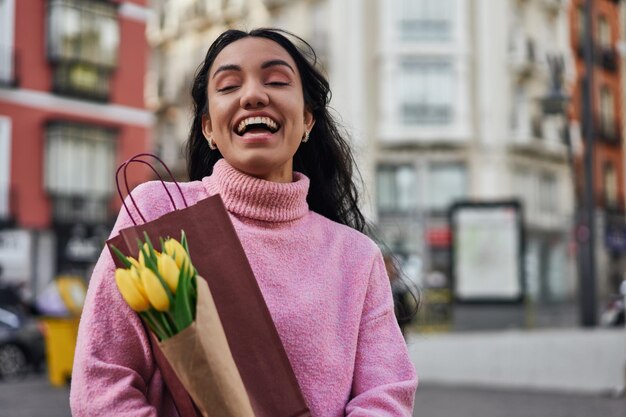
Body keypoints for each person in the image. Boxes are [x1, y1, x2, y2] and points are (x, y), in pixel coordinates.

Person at [70, 28, 417, 416]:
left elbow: (385, 397)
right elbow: (101, 381)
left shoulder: (357, 257)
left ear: (306, 121)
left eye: (276, 81)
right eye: (229, 85)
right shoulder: (157, 212)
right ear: (208, 129)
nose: (253, 95)